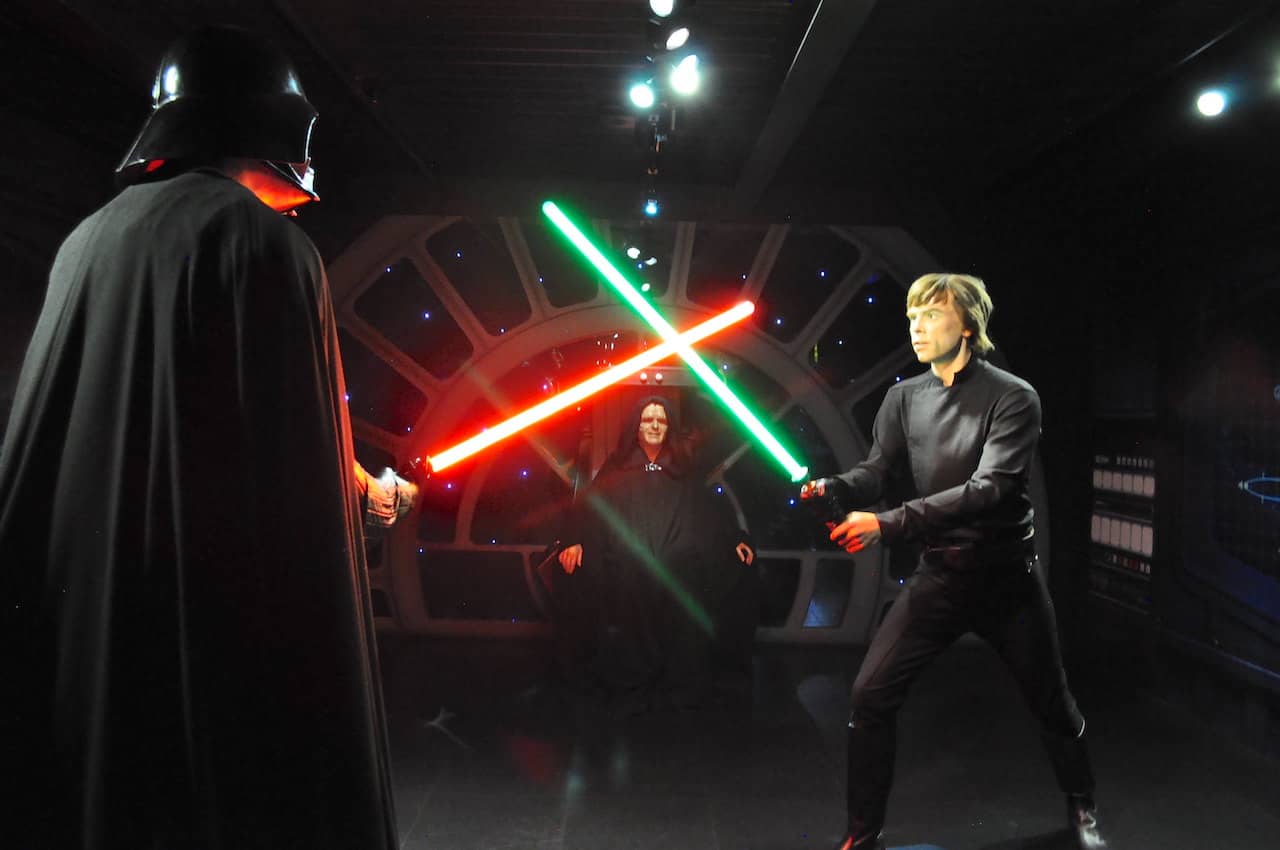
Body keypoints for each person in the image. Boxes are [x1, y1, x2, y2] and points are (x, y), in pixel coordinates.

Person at [0, 26, 400, 849]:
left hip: (101, 620)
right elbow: (285, 469)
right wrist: (367, 500)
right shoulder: (263, 244)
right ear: (265, 120)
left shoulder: (88, 241)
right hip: (215, 625)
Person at [800, 274, 1107, 850]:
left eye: (930, 315)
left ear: (967, 324)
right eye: (911, 316)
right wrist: (838, 487)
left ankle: (1082, 809)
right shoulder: (903, 398)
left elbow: (988, 489)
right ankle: (862, 835)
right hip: (941, 575)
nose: (915, 327)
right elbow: (878, 471)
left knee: (1052, 703)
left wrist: (886, 524)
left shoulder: (1013, 397)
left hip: (1008, 582)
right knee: (869, 696)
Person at [555, 395, 754, 713]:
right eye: (648, 419)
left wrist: (733, 540)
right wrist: (575, 540)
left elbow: (709, 509)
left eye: (661, 420)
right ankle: (631, 680)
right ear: (636, 426)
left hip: (677, 562)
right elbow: (591, 507)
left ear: (669, 426)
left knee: (692, 586)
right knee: (622, 586)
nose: (654, 426)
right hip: (628, 561)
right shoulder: (618, 466)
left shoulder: (683, 467)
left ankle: (680, 682)